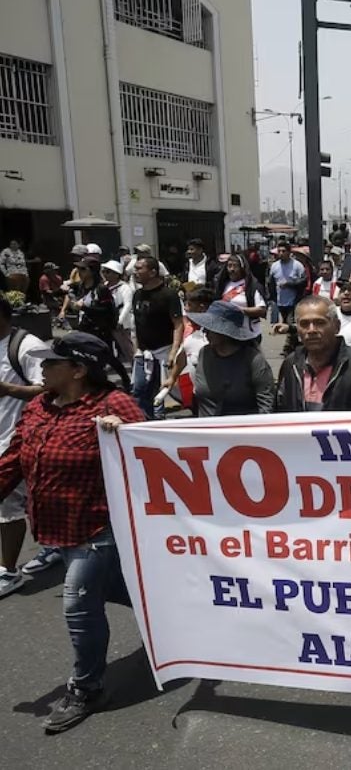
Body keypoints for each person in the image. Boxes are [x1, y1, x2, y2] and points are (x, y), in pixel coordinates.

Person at [0, 332, 143, 732]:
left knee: (78, 606)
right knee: (120, 589)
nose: (42, 369)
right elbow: (13, 460)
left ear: (78, 370)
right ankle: (176, 616)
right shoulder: (38, 407)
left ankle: (87, 688)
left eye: (51, 363)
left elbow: (154, 455)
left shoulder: (113, 405)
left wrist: (125, 435)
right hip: (53, 528)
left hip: (95, 529)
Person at [0, 294, 46, 598]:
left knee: (8, 507)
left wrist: (6, 389)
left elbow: (50, 387)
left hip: (17, 440)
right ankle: (54, 544)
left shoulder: (28, 345)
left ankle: (9, 571)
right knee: (35, 499)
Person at [274, 296, 351, 413]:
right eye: (304, 324)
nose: (311, 330)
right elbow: (278, 414)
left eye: (320, 323)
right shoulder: (291, 365)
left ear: (337, 326)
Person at [186, 301, 275, 417]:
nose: (205, 332)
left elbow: (266, 406)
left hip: (240, 430)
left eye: (211, 328)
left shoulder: (254, 360)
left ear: (225, 333)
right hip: (207, 430)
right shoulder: (204, 354)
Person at [131, 254, 184, 420]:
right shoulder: (137, 295)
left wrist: (173, 351)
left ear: (153, 272)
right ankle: (142, 421)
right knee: (139, 389)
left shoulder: (168, 295)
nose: (135, 272)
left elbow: (178, 324)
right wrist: (136, 349)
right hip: (143, 353)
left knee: (161, 392)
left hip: (163, 351)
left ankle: (157, 422)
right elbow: (137, 324)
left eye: (140, 268)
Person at [216, 252, 268, 340]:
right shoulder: (223, 284)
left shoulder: (251, 285)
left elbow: (261, 310)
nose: (232, 269)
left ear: (242, 268)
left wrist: (239, 310)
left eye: (235, 266)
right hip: (228, 332)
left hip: (248, 333)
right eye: (229, 266)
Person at [100, 260, 135, 366]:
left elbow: (127, 305)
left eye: (108, 272)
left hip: (121, 322)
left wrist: (120, 321)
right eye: (104, 271)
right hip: (107, 320)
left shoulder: (124, 287)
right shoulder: (104, 286)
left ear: (116, 274)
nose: (105, 274)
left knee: (127, 349)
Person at [268, 242, 308, 327]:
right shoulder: (274, 266)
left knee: (291, 324)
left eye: (283, 251)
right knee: (282, 325)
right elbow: (270, 283)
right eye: (279, 251)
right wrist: (272, 297)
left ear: (289, 252)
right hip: (279, 301)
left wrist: (290, 284)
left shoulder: (297, 265)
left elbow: (304, 281)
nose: (281, 253)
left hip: (293, 301)